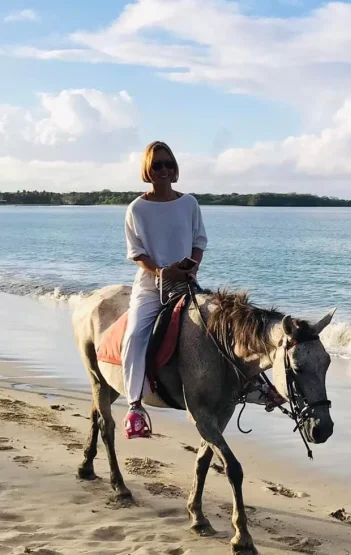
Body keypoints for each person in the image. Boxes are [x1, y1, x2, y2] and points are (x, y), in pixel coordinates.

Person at [121, 141, 208, 439]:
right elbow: (136, 252)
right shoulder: (137, 208)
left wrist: (191, 267)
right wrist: (161, 271)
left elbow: (199, 241)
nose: (164, 170)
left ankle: (259, 388)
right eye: (157, 164)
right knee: (134, 335)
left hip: (186, 284)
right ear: (148, 168)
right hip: (150, 287)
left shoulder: (190, 204)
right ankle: (134, 406)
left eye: (168, 164)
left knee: (224, 324)